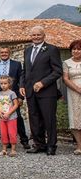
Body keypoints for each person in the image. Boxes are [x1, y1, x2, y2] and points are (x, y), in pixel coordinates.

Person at [20, 26, 62, 156]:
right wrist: (21, 85)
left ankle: (51, 145)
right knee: (34, 118)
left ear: (44, 35)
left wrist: (43, 82)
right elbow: (25, 71)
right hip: (30, 91)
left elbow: (57, 71)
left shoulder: (51, 49)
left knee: (49, 119)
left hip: (47, 92)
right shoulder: (27, 50)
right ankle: (39, 144)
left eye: (38, 35)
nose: (36, 37)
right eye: (33, 35)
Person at [0, 47, 29, 149]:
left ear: (9, 53)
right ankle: (6, 141)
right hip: (0, 96)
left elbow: (21, 80)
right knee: (2, 118)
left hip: (13, 95)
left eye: (6, 52)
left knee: (18, 117)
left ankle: (24, 140)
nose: (4, 54)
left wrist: (20, 97)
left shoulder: (17, 64)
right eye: (2, 52)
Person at [62, 39, 81, 155]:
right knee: (75, 117)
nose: (76, 51)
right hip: (73, 91)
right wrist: (78, 89)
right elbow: (65, 78)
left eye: (79, 49)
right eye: (74, 49)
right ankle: (79, 145)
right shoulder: (66, 62)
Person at [0, 76, 20, 157]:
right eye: (1, 83)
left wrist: (9, 113)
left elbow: (16, 105)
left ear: (9, 84)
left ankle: (13, 149)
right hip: (1, 118)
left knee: (12, 132)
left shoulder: (12, 93)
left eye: (5, 83)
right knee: (3, 133)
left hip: (11, 117)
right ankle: (4, 149)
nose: (3, 85)